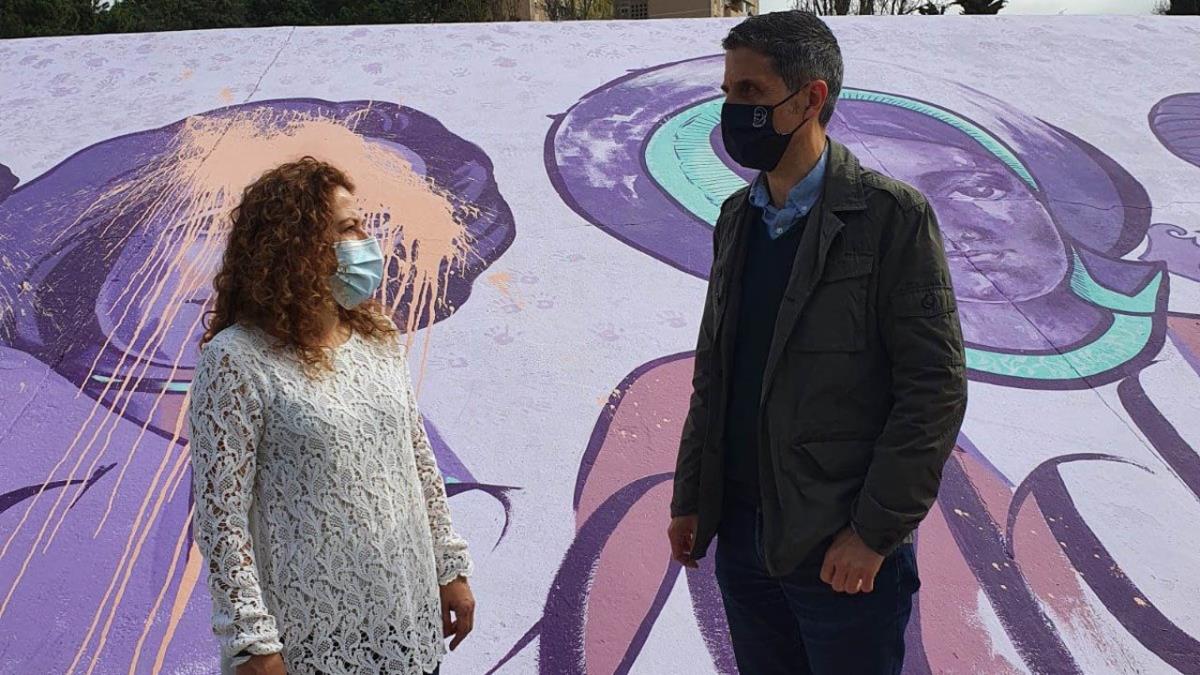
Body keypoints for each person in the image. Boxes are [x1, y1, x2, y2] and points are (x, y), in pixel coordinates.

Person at [667, 11, 968, 675]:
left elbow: (935, 390)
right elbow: (715, 371)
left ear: (811, 98)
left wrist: (872, 534)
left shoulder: (891, 217)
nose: (732, 109)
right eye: (728, 91)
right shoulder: (736, 218)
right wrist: (691, 497)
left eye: (751, 91)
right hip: (743, 540)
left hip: (839, 551)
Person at [187, 157, 475, 675]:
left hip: (409, 621)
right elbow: (221, 518)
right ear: (296, 246)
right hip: (311, 638)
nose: (367, 240)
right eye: (349, 227)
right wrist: (251, 640)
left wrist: (449, 566)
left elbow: (417, 461)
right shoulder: (237, 360)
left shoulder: (378, 340)